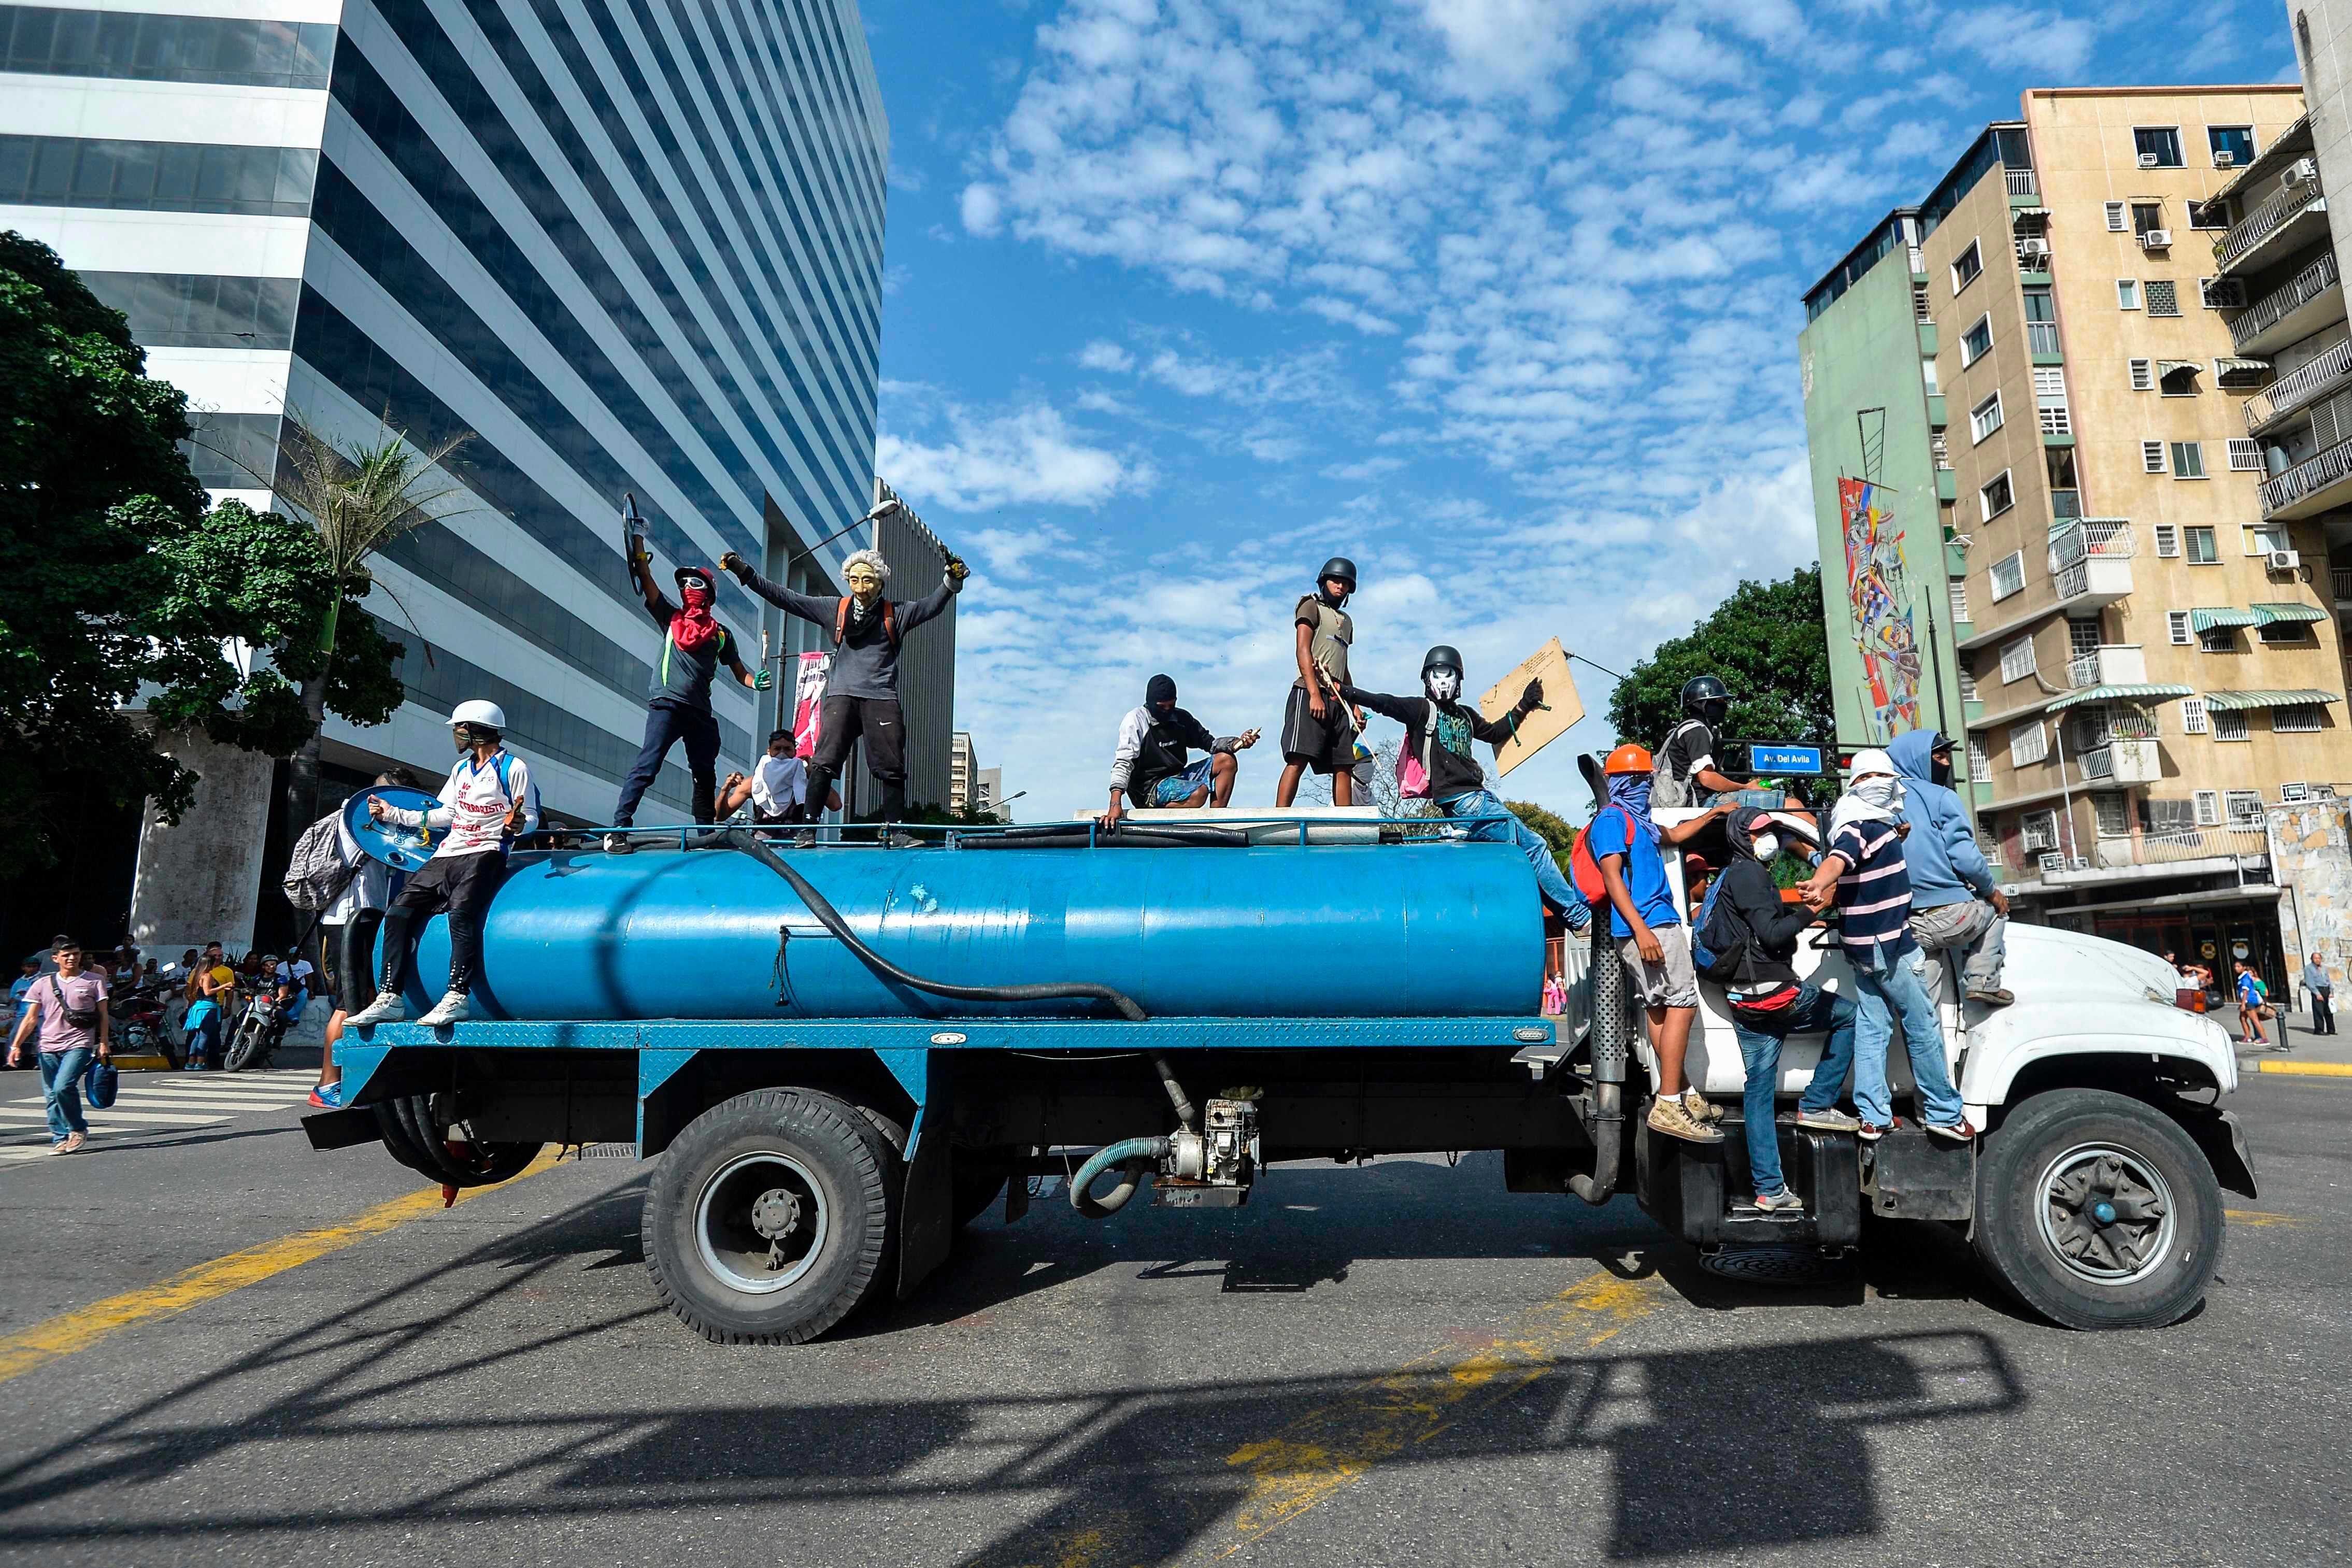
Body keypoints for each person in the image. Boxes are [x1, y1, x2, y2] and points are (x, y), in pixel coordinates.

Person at [720, 544, 965, 844]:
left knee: (891, 765)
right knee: (824, 762)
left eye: (868, 580)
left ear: (881, 582)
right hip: (841, 695)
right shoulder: (834, 609)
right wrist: (744, 572)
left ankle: (898, 830)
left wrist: (952, 581)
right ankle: (807, 829)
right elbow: (787, 598)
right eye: (854, 580)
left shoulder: (896, 613)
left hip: (881, 695)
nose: (861, 587)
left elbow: (931, 606)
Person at [1339, 648, 1589, 930]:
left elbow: (1495, 733)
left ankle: (1569, 920)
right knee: (1535, 846)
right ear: (1427, 678)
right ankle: (1579, 918)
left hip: (1478, 800)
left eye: (1448, 673)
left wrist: (1524, 704)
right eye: (1438, 673)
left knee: (1522, 852)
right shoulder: (1421, 710)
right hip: (1467, 803)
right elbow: (1383, 702)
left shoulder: (1466, 716)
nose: (1443, 680)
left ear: (1458, 680)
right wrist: (1347, 692)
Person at [1797, 750, 1972, 1143]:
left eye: (1883, 776)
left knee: (1873, 1026)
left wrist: (1895, 836)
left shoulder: (1874, 825)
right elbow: (1839, 859)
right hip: (1887, 943)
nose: (1877, 783)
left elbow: (1857, 856)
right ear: (1855, 785)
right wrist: (1819, 882)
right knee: (1922, 1025)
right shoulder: (1861, 825)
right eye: (1867, 777)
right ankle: (1944, 1113)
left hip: (1860, 945)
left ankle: (1874, 1116)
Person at [348, 702, 538, 1029]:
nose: (456, 735)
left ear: (476, 730)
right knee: (397, 913)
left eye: (459, 728)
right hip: (447, 852)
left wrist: (520, 824)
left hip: (487, 850)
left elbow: (531, 816)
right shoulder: (461, 770)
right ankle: (390, 998)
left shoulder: (514, 768)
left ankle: (457, 997)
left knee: (461, 914)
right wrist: (393, 814)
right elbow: (445, 814)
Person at [1710, 808, 1862, 1210]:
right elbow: (1773, 934)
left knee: (1758, 1092)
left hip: (1743, 999)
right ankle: (1816, 1104)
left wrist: (1799, 912)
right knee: (1851, 1016)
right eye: (1758, 832)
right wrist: (1814, 910)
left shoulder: (1731, 875)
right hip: (1775, 993)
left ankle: (1770, 1190)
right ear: (1740, 837)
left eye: (1771, 831)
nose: (1768, 839)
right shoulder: (1750, 874)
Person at [1579, 743, 1732, 1142]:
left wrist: (1712, 815)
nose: (1646, 786)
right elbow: (1612, 877)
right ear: (1625, 782)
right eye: (1641, 780)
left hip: (1651, 924)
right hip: (1649, 925)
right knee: (1682, 1002)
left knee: (1661, 1008)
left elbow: (1675, 834)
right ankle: (1668, 1102)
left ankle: (1681, 1095)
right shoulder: (1613, 820)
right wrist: (1642, 930)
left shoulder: (1640, 822)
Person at [607, 545, 771, 850]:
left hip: (699, 713)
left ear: (709, 593)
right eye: (683, 584)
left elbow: (740, 673)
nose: (687, 588)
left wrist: (755, 683)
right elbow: (645, 577)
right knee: (647, 766)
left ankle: (706, 835)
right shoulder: (670, 618)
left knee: (705, 776)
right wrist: (639, 541)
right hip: (666, 706)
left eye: (695, 583)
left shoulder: (721, 634)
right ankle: (618, 829)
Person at [315, 768, 419, 1107]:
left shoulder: (360, 815)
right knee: (350, 1003)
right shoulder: (358, 815)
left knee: (361, 1001)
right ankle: (327, 1084)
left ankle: (345, 1080)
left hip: (362, 915)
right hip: (351, 918)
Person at [1886, 730, 2011, 1008]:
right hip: (1952, 917)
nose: (1946, 764)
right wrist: (1991, 892)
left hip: (1904, 923)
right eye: (1939, 757)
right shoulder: (1941, 797)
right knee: (1996, 911)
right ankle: (1982, 981)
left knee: (1925, 1008)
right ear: (1916, 760)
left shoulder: (1877, 802)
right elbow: (1966, 858)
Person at [1104, 674, 1260, 829]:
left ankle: (1217, 823)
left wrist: (1237, 743)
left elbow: (1210, 743)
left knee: (1227, 760)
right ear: (1150, 703)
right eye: (1161, 707)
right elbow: (1124, 763)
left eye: (1171, 706)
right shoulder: (1136, 720)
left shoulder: (1180, 718)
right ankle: (1158, 817)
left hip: (1179, 778)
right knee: (1199, 793)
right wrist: (1115, 804)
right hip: (1149, 789)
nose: (1167, 711)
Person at [7, 934, 109, 1153]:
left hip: (79, 1043)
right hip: (48, 1046)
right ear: (56, 959)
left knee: (63, 1087)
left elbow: (103, 1015)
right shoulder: (42, 984)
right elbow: (31, 1018)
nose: (72, 958)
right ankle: (60, 1138)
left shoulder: (94, 980)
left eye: (76, 954)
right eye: (67, 955)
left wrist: (103, 1043)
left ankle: (78, 1129)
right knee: (52, 1094)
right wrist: (16, 1046)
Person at [1276, 559, 1361, 808]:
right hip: (1309, 691)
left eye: (1346, 583)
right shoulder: (1310, 606)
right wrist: (1314, 693)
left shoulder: (1347, 621)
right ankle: (1279, 817)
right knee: (1298, 758)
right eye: (1336, 581)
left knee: (1344, 764)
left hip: (1338, 697)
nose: (1340, 586)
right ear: (1324, 581)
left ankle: (1345, 822)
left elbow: (1343, 665)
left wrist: (1354, 705)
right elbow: (1303, 650)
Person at [719, 730, 844, 832]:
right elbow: (720, 816)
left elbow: (836, 805)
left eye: (787, 749)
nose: (782, 754)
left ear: (795, 753)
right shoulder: (754, 784)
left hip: (796, 848)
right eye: (777, 749)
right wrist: (725, 791)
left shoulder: (805, 783)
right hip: (760, 847)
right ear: (769, 752)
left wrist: (813, 776)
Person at [1651, 675, 1746, 809]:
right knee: (1775, 802)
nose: (1724, 705)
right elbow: (1707, 778)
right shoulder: (1696, 731)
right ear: (1701, 705)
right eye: (1719, 701)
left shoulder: (1693, 730)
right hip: (1697, 802)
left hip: (1698, 800)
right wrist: (1745, 787)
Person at [181, 943, 236, 1071]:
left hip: (199, 1007)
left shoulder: (197, 974)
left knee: (197, 1036)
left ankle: (191, 1062)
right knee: (204, 1036)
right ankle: (200, 1062)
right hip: (208, 1007)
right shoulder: (207, 975)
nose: (217, 960)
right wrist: (223, 986)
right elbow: (207, 992)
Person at [2234, 959, 2273, 1047]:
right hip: (2247, 1000)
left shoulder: (2245, 978)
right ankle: (2247, 1037)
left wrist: (2243, 1004)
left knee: (2254, 1019)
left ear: (2244, 967)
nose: (2236, 968)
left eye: (2239, 967)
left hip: (2249, 1001)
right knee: (2243, 1018)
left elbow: (2246, 991)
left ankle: (2264, 1039)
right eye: (2236, 967)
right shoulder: (2242, 977)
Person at [9, 957, 37, 1066]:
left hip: (40, 1014)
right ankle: (12, 1061)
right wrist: (20, 996)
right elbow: (12, 999)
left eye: (34, 966)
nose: (32, 969)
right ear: (23, 968)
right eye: (29, 967)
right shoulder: (19, 982)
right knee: (14, 1035)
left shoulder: (42, 979)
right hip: (23, 1015)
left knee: (41, 1037)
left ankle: (39, 1062)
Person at [2304, 953, 2334, 1036]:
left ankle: (2331, 1030)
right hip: (2318, 989)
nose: (2317, 960)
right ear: (2312, 959)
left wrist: (2331, 991)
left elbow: (2329, 980)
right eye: (2315, 958)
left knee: (2329, 1011)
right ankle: (2319, 1030)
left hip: (2326, 990)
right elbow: (2309, 983)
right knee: (2319, 1011)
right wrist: (2317, 994)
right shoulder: (2308, 969)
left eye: (2319, 958)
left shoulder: (2324, 968)